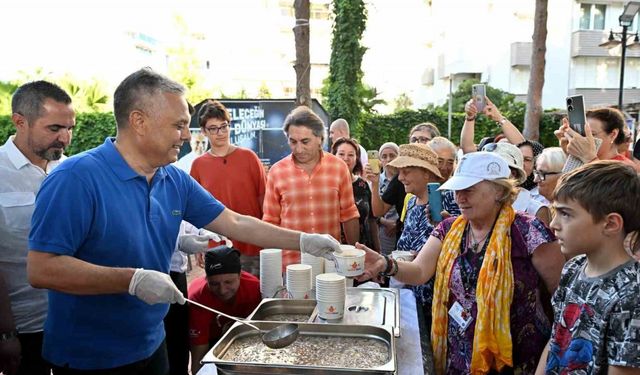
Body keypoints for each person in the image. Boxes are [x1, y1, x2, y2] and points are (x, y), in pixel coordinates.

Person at [27, 68, 340, 374]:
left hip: (152, 343)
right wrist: (131, 279)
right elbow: (42, 268)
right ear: (139, 121)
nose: (188, 135)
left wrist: (302, 240)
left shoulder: (173, 179)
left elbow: (235, 222)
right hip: (90, 357)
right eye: (178, 125)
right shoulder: (75, 179)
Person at [359, 152, 564, 374]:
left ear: (499, 191)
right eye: (458, 190)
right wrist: (384, 263)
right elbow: (419, 271)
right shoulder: (449, 228)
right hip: (460, 354)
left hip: (517, 358)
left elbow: (560, 296)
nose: (459, 198)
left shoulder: (529, 231)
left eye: (469, 190)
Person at [536, 161, 640, 374]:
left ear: (610, 224)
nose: (554, 224)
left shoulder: (632, 293)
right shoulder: (573, 267)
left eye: (566, 214)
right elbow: (556, 338)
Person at [0, 81, 75, 375]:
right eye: (55, 128)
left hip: (73, 321)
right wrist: (5, 334)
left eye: (70, 128)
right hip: (22, 328)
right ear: (20, 121)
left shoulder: (70, 171)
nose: (65, 138)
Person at [263, 106, 360, 267]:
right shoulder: (276, 172)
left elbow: (349, 215)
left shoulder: (338, 168)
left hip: (330, 263)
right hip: (291, 265)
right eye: (293, 142)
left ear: (320, 139)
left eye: (305, 141)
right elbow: (270, 223)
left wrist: (353, 256)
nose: (299, 149)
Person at [190, 99, 267, 276]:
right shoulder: (198, 166)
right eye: (213, 128)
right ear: (204, 131)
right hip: (217, 248)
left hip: (252, 244)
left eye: (224, 126)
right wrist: (199, 244)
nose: (220, 133)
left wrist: (268, 240)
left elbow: (264, 201)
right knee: (221, 299)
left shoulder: (249, 157)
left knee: (255, 297)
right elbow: (194, 211)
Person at [188, 246, 261, 374]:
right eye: (214, 284)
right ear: (206, 279)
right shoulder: (197, 298)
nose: (222, 290)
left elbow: (257, 334)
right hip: (211, 341)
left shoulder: (254, 288)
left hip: (243, 338)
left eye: (229, 282)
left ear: (240, 276)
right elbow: (199, 355)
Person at [331, 137, 380, 250]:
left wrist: (378, 250)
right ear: (333, 156)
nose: (346, 158)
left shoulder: (363, 185)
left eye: (351, 155)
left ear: (356, 158)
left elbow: (372, 220)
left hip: (364, 249)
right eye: (341, 154)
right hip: (336, 250)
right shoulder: (327, 186)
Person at [558, 107, 639, 171]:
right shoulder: (585, 161)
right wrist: (569, 154)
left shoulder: (626, 169)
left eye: (592, 134)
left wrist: (590, 159)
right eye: (583, 134)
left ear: (613, 135)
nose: (585, 138)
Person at [376, 142, 400, 255]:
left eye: (392, 155)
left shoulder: (403, 179)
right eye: (384, 156)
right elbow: (370, 210)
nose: (388, 159)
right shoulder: (375, 181)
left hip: (400, 229)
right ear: (380, 160)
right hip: (382, 232)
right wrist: (385, 222)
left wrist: (397, 224)